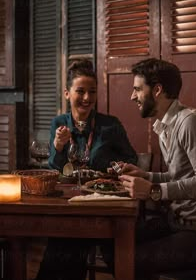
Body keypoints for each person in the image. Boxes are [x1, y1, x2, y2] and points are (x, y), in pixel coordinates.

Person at [115, 57, 196, 279]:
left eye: (137, 89)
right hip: (176, 221)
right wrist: (146, 175)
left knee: (126, 257)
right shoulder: (166, 126)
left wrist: (153, 190)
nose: (132, 96)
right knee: (114, 242)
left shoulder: (190, 123)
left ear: (157, 90)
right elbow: (181, 176)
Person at [35, 58, 137, 280]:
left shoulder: (110, 124)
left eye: (92, 92)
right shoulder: (58, 122)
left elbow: (132, 160)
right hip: (69, 202)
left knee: (69, 238)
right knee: (66, 236)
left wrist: (116, 167)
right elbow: (56, 169)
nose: (87, 98)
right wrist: (58, 145)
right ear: (67, 94)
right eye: (80, 91)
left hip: (102, 202)